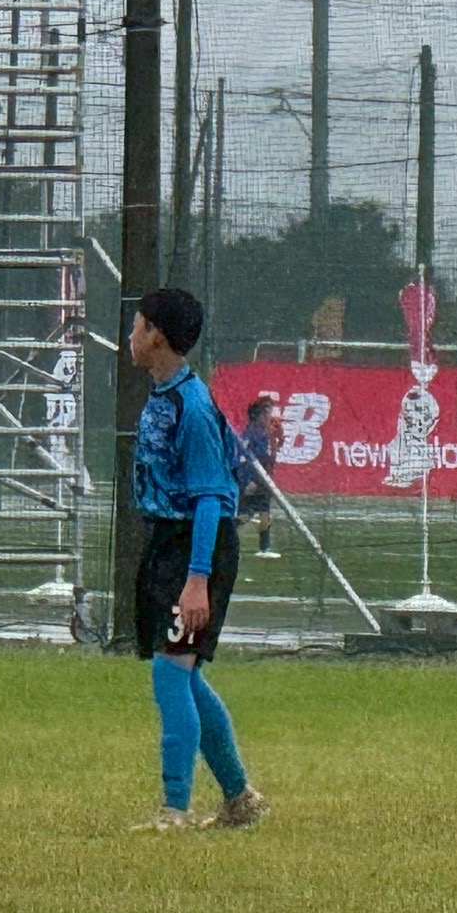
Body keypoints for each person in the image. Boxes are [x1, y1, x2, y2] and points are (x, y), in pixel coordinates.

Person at [127, 287, 266, 832]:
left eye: (137, 325)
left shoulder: (193, 406)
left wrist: (197, 579)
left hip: (197, 546)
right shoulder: (163, 394)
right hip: (168, 541)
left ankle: (175, 809)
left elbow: (211, 497)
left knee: (170, 672)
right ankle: (239, 799)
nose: (130, 335)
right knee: (183, 675)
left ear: (156, 336)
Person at [238, 395, 282, 560]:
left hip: (264, 480)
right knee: (246, 514)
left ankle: (264, 547)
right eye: (268, 412)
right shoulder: (251, 433)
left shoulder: (267, 432)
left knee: (265, 513)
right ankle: (223, 537)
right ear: (260, 415)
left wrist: (279, 437)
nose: (271, 416)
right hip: (254, 479)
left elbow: (272, 453)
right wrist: (248, 480)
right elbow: (243, 457)